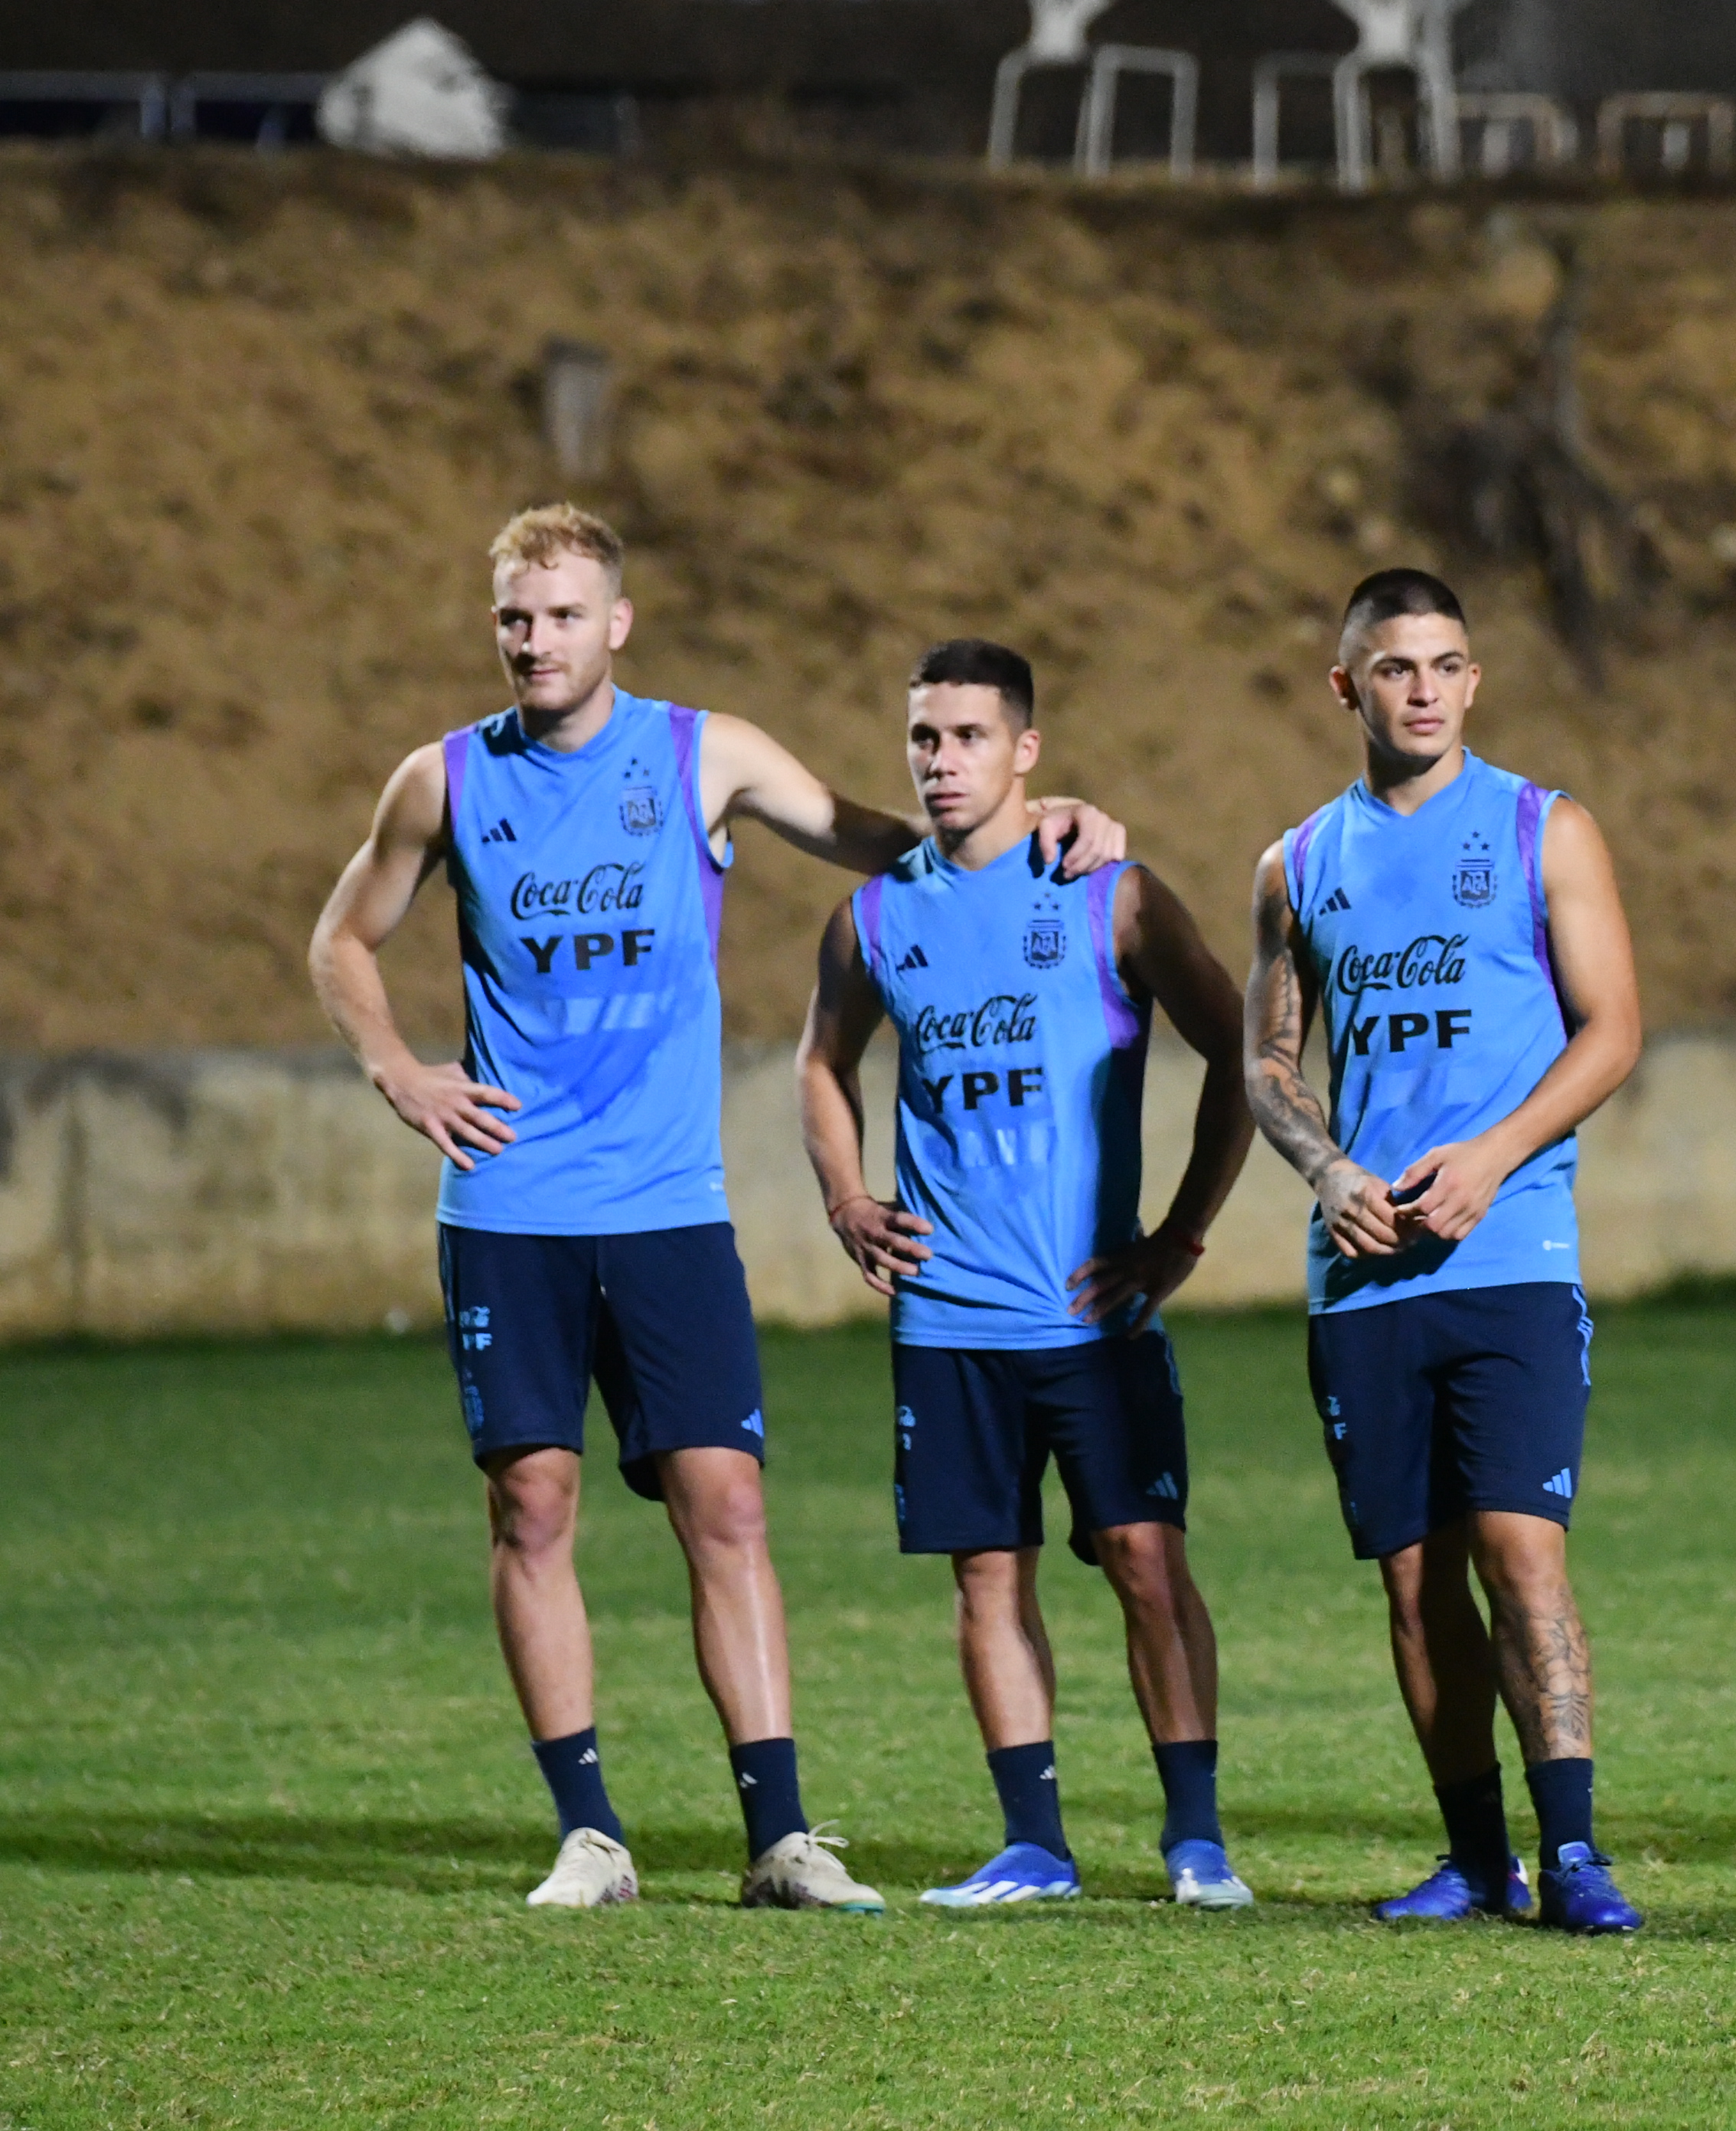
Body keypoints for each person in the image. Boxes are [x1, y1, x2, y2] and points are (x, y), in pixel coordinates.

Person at [307, 505, 1124, 1911]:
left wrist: (1045, 817)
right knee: (533, 1500)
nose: (535, 641)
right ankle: (590, 1834)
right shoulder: (441, 783)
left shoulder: (705, 755)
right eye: (515, 617)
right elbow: (341, 937)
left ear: (616, 624)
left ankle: (782, 1839)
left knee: (727, 1505)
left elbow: (890, 842)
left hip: (668, 1203)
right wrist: (398, 1068)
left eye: (563, 615)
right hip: (510, 1200)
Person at [794, 638, 1257, 1912]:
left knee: (1144, 1558)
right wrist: (846, 1196)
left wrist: (1179, 1236)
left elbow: (1243, 1054)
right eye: (925, 741)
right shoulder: (877, 918)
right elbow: (821, 1066)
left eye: (969, 739)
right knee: (987, 1573)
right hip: (948, 1321)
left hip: (1091, 1315)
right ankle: (1036, 1845)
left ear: (1027, 752)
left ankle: (1198, 1839)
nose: (942, 764)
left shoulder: (1107, 891)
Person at [1242, 569, 1646, 1933]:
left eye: (1448, 665)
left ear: (1476, 681)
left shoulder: (1545, 830)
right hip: (1363, 1277)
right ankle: (1478, 1861)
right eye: (1396, 668)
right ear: (1346, 685)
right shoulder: (1297, 863)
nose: (1424, 689)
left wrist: (1495, 1154)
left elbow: (1613, 1031)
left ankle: (1577, 1853)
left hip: (1512, 1255)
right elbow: (1266, 1059)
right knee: (1415, 1582)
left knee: (1521, 1554)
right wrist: (1328, 1167)